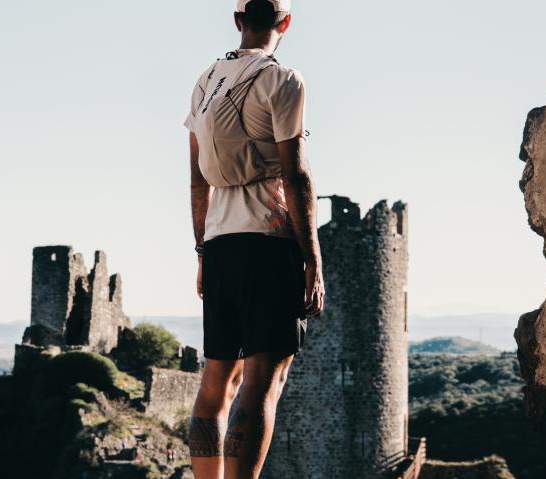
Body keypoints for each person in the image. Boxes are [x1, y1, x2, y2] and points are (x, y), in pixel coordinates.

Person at [184, 1, 325, 478]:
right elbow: (296, 173)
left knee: (216, 381)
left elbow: (197, 180)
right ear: (285, 23)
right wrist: (313, 260)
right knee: (264, 379)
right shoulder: (282, 80)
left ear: (238, 20)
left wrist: (203, 251)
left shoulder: (205, 82)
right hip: (268, 239)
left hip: (221, 243)